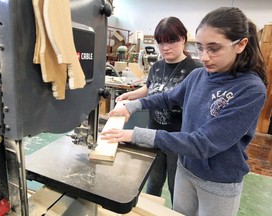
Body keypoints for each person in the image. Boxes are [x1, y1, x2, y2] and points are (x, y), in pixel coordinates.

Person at [101, 7, 267, 216]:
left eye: (213, 49)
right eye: (200, 48)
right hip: (186, 170)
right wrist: (131, 106)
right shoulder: (198, 76)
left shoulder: (250, 89)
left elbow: (203, 143)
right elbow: (167, 98)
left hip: (218, 182)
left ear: (241, 44)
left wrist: (136, 134)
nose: (204, 56)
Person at [116, 16, 201, 202]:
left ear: (183, 39)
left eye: (171, 41)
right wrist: (129, 96)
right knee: (152, 182)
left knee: (175, 187)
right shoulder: (157, 66)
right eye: (160, 42)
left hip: (177, 138)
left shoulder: (195, 70)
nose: (165, 47)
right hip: (152, 134)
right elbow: (150, 88)